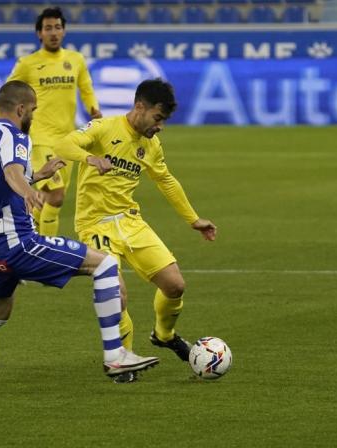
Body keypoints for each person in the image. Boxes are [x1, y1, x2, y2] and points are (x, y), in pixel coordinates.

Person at [0, 81, 158, 391]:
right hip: (18, 244)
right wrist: (29, 191)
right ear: (21, 108)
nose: (34, 116)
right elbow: (11, 174)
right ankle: (115, 354)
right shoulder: (16, 136)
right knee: (104, 265)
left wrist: (37, 175)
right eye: (33, 110)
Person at [54, 78, 217, 383]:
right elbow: (63, 144)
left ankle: (164, 335)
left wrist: (193, 219)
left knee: (175, 285)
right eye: (158, 118)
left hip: (130, 222)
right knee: (116, 294)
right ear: (139, 107)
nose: (160, 127)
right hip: (95, 224)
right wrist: (89, 157)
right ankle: (122, 361)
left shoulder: (151, 145)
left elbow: (166, 181)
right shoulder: (104, 128)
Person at [6, 6, 101, 237]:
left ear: (64, 31)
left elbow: (86, 88)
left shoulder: (75, 59)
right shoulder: (28, 63)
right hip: (39, 139)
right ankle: (49, 253)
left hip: (67, 140)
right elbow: (8, 91)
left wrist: (94, 110)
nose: (53, 32)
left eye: (57, 27)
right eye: (48, 28)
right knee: (56, 195)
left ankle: (28, 241)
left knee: (48, 200)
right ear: (39, 33)